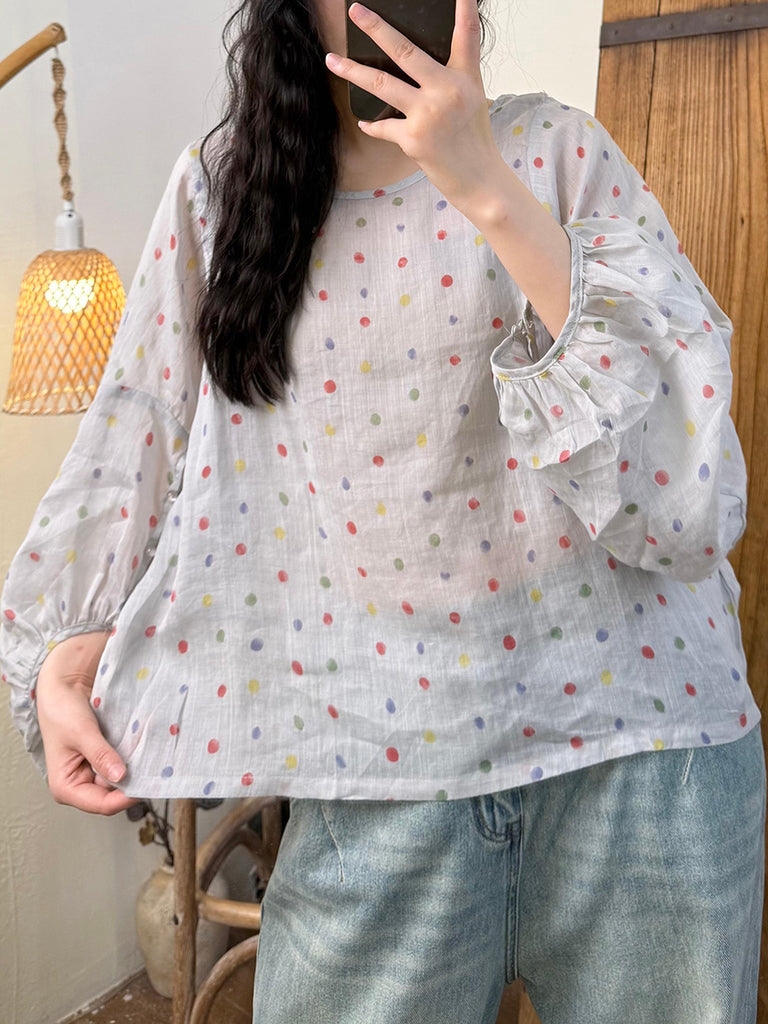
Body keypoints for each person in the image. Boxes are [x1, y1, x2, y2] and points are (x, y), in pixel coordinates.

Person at [1, 0, 765, 1020]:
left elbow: (687, 498)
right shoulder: (222, 195)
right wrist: (58, 644)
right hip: (370, 772)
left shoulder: (559, 155)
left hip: (640, 753)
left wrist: (483, 182)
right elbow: (137, 421)